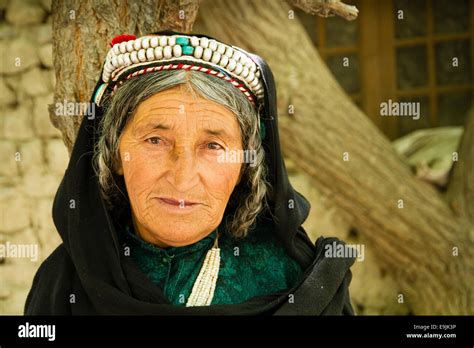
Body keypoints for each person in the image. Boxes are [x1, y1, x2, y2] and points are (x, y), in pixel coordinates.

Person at [25, 30, 355, 315]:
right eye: (155, 140)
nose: (183, 178)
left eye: (213, 146)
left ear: (245, 168)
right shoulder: (64, 283)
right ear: (114, 156)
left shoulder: (297, 282)